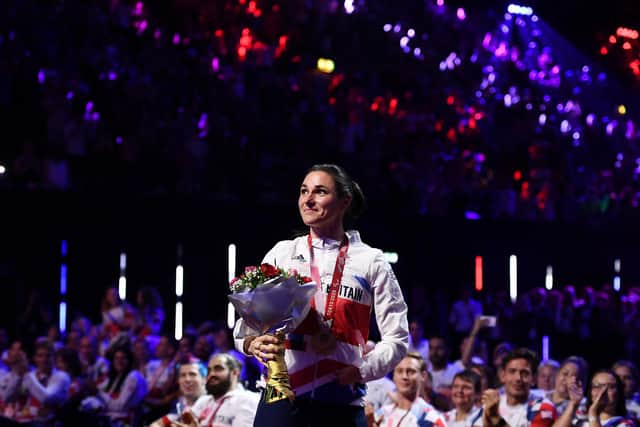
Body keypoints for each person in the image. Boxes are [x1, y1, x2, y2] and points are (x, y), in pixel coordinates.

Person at [235, 164, 409, 427]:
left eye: (320, 192)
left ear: (344, 201)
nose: (308, 199)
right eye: (304, 191)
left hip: (341, 399)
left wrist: (363, 370)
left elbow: (397, 338)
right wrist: (250, 344)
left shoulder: (370, 261)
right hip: (282, 396)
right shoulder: (282, 253)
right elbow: (248, 324)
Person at [176, 353, 259, 427]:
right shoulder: (204, 401)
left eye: (218, 368)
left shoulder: (247, 400)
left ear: (234, 373)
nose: (212, 374)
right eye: (209, 370)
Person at [481, 348, 557, 427]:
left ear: (534, 379)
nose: (518, 378)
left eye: (524, 373)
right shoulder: (493, 403)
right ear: (502, 376)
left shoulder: (544, 407)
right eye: (512, 371)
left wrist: (495, 417)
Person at [368, 353, 447, 427]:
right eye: (399, 371)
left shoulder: (431, 418)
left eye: (411, 371)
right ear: (393, 376)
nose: (404, 376)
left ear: (423, 376)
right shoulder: (382, 413)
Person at [149, 358, 208, 427]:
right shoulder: (181, 403)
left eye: (192, 374)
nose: (187, 379)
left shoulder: (211, 403)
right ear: (178, 381)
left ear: (204, 379)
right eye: (183, 375)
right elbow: (161, 422)